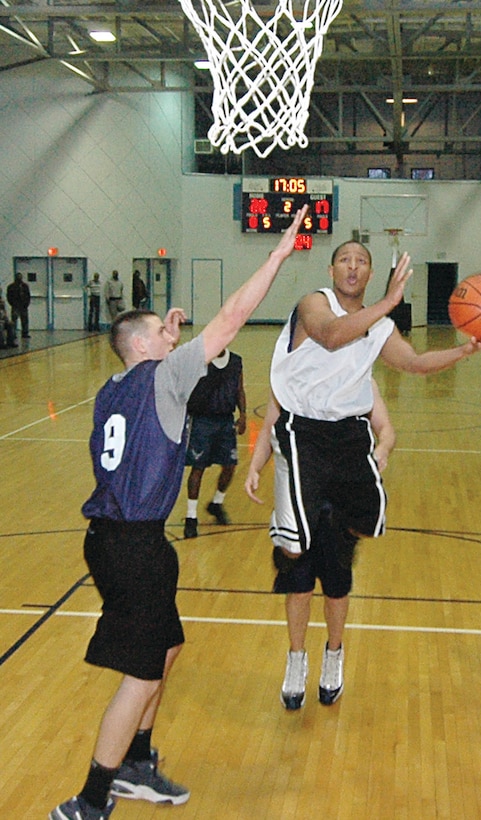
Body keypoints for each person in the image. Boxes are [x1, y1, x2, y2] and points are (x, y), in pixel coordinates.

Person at [49, 206, 307, 820]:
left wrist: (164, 339)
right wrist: (276, 256)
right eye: (164, 335)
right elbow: (231, 318)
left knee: (166, 647)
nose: (175, 338)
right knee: (140, 673)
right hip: (132, 545)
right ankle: (89, 800)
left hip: (121, 540)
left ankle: (137, 763)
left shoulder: (115, 388)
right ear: (145, 345)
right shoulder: (164, 376)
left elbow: (158, 372)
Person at [257, 239, 481, 710]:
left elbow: (413, 363)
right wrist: (389, 303)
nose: (353, 266)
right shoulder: (314, 304)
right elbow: (330, 335)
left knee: (339, 562)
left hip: (349, 442)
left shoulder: (379, 326)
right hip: (302, 436)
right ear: (331, 268)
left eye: (362, 261)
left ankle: (333, 652)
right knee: (296, 559)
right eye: (345, 259)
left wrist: (465, 350)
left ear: (370, 274)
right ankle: (295, 659)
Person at [245, 379, 395, 709]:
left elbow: (386, 428)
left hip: (339, 499)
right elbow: (271, 428)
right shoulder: (290, 379)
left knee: (336, 587)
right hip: (299, 493)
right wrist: (255, 467)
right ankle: (296, 659)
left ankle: (333, 654)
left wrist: (381, 450)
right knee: (298, 584)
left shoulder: (359, 378)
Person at [183, 347, 246, 539]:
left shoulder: (235, 361)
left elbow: (239, 389)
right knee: (198, 468)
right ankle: (191, 517)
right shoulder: (200, 362)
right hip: (202, 421)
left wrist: (243, 414)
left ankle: (216, 503)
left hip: (225, 420)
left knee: (230, 466)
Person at [7, 271, 31, 338]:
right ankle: (13, 334)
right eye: (18, 277)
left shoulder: (25, 286)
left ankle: (25, 333)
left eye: (20, 277)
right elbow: (9, 296)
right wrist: (12, 304)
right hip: (15, 306)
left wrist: (26, 304)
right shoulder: (11, 287)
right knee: (14, 320)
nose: (19, 278)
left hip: (23, 306)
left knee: (25, 320)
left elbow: (28, 296)